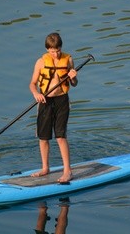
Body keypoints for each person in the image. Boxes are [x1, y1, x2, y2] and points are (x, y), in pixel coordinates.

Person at [29, 32, 78, 183]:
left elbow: (74, 84)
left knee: (60, 136)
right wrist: (36, 93)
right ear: (47, 50)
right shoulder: (40, 62)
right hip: (45, 101)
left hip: (62, 101)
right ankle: (45, 168)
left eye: (57, 50)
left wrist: (73, 77)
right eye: (52, 51)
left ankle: (67, 171)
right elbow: (32, 83)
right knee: (43, 138)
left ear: (61, 47)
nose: (55, 54)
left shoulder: (68, 59)